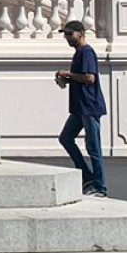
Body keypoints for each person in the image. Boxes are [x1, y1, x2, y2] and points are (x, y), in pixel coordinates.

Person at [53, 20, 108, 198]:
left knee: (93, 147)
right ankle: (87, 177)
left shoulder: (87, 52)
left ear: (80, 33)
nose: (67, 38)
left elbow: (90, 78)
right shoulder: (79, 53)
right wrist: (67, 79)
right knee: (66, 138)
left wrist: (67, 74)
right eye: (65, 34)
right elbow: (82, 78)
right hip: (79, 107)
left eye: (70, 34)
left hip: (89, 106)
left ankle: (100, 186)